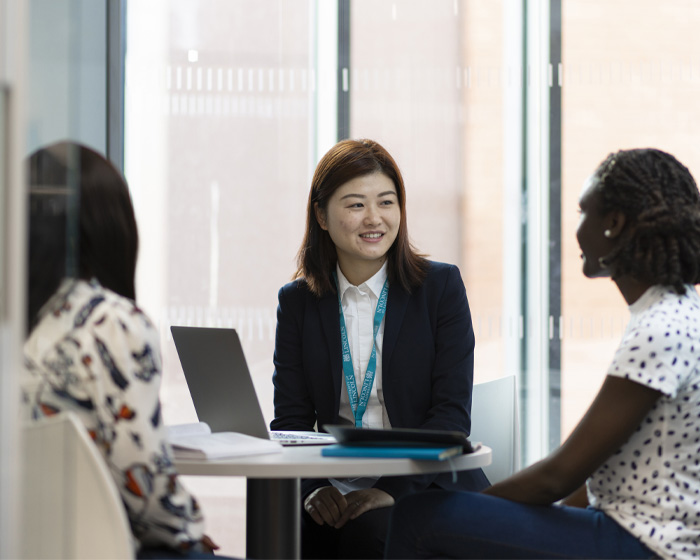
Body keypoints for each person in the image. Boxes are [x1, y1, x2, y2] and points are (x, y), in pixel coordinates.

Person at [385, 147, 700, 560]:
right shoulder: (676, 314)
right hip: (633, 532)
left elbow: (559, 474)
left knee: (417, 518)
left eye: (583, 212)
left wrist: (478, 509)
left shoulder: (659, 329)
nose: (577, 229)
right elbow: (593, 479)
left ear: (615, 224)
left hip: (642, 544)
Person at [270, 138, 490, 559]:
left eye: (386, 202)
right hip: (335, 479)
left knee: (367, 533)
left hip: (426, 479)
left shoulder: (440, 288)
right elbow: (292, 421)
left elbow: (449, 417)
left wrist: (389, 490)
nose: (374, 219)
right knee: (290, 530)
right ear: (321, 215)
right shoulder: (297, 302)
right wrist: (314, 489)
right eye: (355, 205)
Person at [22, 141, 230, 559]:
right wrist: (187, 529)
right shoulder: (111, 323)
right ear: (112, 225)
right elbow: (145, 487)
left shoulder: (15, 320)